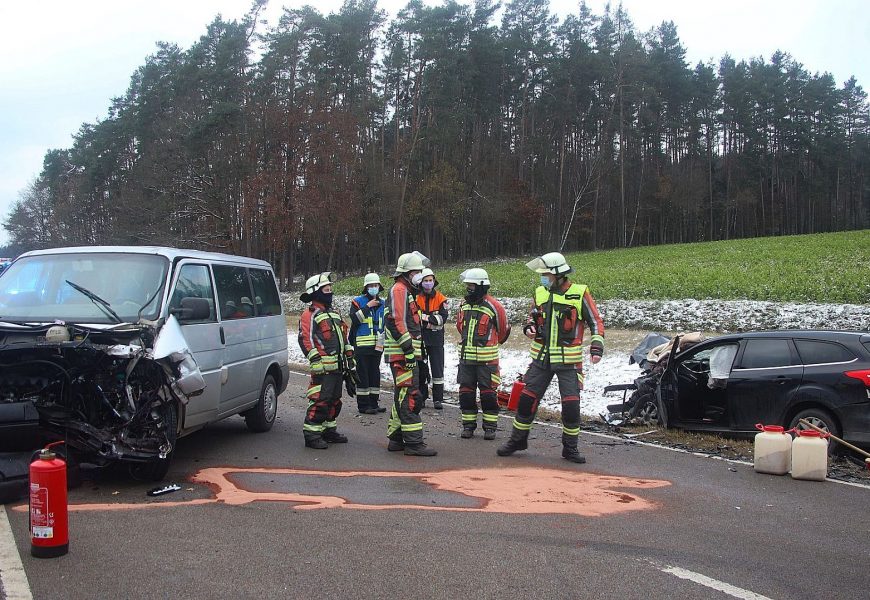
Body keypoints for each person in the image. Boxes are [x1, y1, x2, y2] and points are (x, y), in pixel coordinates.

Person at [497, 252, 604, 463]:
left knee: (571, 406)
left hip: (568, 363)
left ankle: (570, 449)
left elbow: (596, 322)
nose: (543, 278)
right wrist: (529, 328)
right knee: (526, 401)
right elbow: (530, 319)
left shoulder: (579, 293)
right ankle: (518, 440)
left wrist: (596, 347)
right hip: (541, 360)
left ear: (558, 274)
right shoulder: (540, 293)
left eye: (546, 274)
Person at [383, 251, 437, 456]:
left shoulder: (405, 290)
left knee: (403, 395)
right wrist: (408, 351)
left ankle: (396, 438)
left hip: (407, 354)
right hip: (403, 356)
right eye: (417, 272)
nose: (420, 276)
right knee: (410, 396)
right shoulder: (399, 290)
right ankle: (414, 443)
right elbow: (397, 322)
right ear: (407, 273)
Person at [298, 272, 356, 449]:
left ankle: (328, 431)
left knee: (335, 400)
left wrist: (350, 363)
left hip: (338, 369)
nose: (330, 292)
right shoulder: (310, 314)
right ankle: (312, 434)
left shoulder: (334, 314)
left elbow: (344, 340)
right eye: (326, 289)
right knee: (320, 400)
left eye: (331, 289)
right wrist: (316, 362)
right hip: (323, 369)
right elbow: (305, 340)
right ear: (316, 292)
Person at [455, 268, 510, 440]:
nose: (468, 288)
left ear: (480, 286)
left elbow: (503, 331)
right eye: (467, 285)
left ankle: (490, 427)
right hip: (466, 360)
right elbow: (459, 327)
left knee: (488, 395)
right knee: (466, 393)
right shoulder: (463, 305)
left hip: (487, 362)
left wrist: (489, 344)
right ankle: (468, 426)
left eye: (471, 285)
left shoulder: (494, 306)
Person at [349, 273, 386, 415]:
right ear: (366, 288)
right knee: (363, 375)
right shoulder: (357, 302)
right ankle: (364, 406)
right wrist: (367, 307)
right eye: (371, 286)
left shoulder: (383, 304)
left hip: (378, 346)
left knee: (375, 374)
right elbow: (355, 319)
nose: (373, 288)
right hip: (362, 345)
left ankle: (374, 403)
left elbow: (385, 324)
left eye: (376, 285)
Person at [416, 267, 448, 410]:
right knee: (421, 369)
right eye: (425, 280)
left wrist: (425, 319)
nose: (428, 283)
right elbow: (415, 318)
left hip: (436, 340)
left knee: (437, 370)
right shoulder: (416, 297)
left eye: (430, 280)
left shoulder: (441, 298)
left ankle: (438, 400)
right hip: (421, 339)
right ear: (421, 282)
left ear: (434, 281)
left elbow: (442, 319)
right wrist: (431, 321)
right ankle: (421, 398)